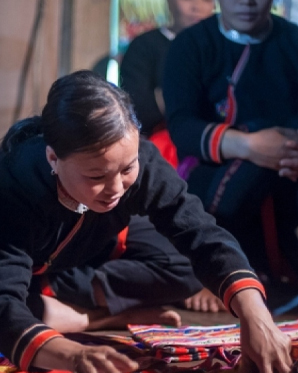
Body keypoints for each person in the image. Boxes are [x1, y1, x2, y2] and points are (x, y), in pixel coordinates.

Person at [0, 70, 297, 373]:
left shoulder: (138, 163)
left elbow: (201, 233)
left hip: (84, 244)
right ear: (54, 158)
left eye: (127, 169)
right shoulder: (13, 186)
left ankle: (55, 305)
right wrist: (71, 352)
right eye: (97, 175)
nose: (117, 187)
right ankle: (96, 317)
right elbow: (0, 302)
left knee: (185, 269)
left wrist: (256, 316)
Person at [163, 0, 298, 307]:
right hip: (214, 172)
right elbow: (182, 128)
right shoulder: (190, 45)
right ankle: (213, 268)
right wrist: (251, 145)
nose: (247, 2)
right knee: (259, 132)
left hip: (287, 167)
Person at [120, 0, 219, 312]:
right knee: (170, 170)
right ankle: (190, 273)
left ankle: (226, 272)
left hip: (222, 137)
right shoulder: (145, 47)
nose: (195, 5)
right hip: (167, 137)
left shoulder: (224, 46)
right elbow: (140, 109)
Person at [120, 0, 215, 136]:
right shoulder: (144, 47)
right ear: (170, 2)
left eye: (206, 0)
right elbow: (136, 109)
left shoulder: (223, 48)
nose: (197, 7)